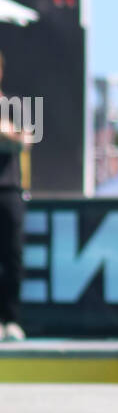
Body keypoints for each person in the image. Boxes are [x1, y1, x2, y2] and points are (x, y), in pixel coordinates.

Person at [0, 50, 29, 342]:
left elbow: (27, 142)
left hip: (8, 191)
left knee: (12, 256)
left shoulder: (13, 107)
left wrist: (6, 133)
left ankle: (11, 320)